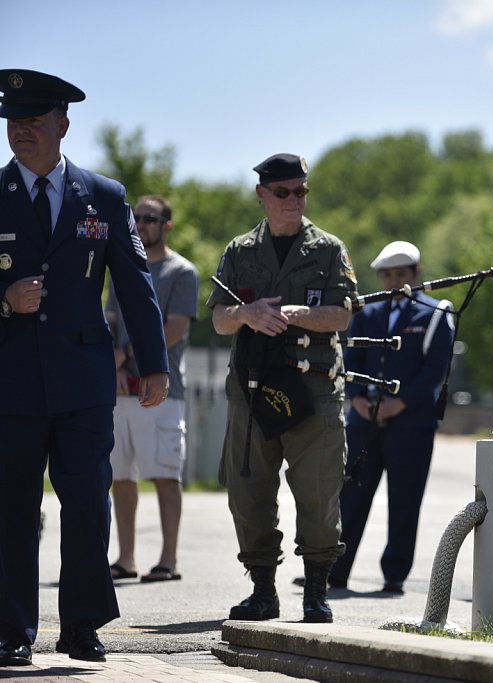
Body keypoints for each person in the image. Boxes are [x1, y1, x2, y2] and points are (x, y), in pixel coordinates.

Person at [0, 69, 169, 665]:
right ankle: (12, 630)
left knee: (88, 502)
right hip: (12, 384)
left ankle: (81, 625)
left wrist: (155, 365)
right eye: (13, 124)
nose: (22, 133)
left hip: (83, 380)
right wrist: (5, 298)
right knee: (13, 506)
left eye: (33, 123)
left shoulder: (104, 195)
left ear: (62, 125)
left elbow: (134, 282)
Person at [208, 153, 356, 624]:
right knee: (249, 492)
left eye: (300, 191)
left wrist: (294, 314)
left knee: (318, 493)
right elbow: (217, 319)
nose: (293, 200)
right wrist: (246, 315)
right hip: (252, 391)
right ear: (262, 195)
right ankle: (263, 591)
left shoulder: (328, 249)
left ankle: (316, 591)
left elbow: (343, 314)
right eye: (282, 192)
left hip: (313, 390)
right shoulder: (239, 251)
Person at [327, 240, 454, 594]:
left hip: (410, 422)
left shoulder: (436, 313)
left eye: (402, 274)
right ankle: (335, 568)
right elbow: (350, 363)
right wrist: (357, 400)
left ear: (417, 273)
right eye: (387, 275)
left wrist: (402, 403)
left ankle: (394, 574)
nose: (395, 281)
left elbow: (435, 369)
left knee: (404, 498)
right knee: (350, 495)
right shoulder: (367, 313)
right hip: (365, 420)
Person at [107, 195, 199, 583]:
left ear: (166, 225)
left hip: (162, 389)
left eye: (150, 218)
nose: (141, 224)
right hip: (120, 390)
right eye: (137, 218)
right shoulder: (123, 266)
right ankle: (125, 559)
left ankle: (168, 559)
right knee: (120, 476)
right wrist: (109, 354)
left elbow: (175, 329)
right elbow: (110, 318)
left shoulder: (182, 271)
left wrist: (126, 354)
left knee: (164, 473)